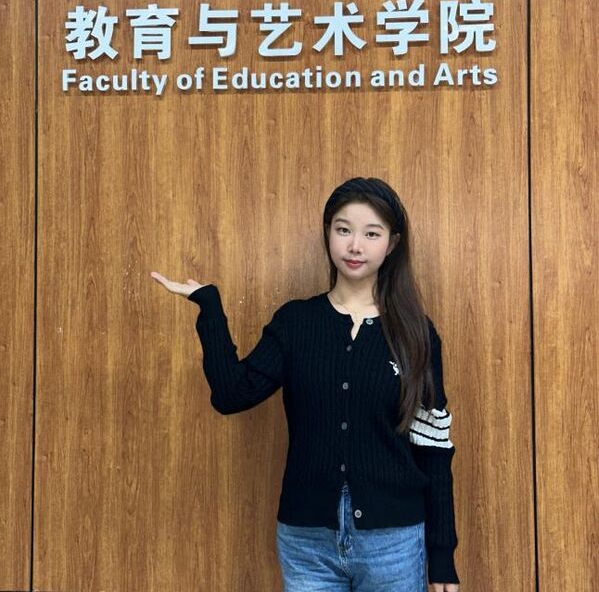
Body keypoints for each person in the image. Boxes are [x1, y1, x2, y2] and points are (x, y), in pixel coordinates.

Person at [150, 177, 460, 592]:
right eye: (344, 229)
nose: (355, 245)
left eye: (372, 234)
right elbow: (231, 394)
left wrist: (442, 556)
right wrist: (209, 307)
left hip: (393, 543)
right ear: (328, 233)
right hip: (307, 543)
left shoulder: (415, 333)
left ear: (392, 244)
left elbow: (434, 448)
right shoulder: (296, 323)